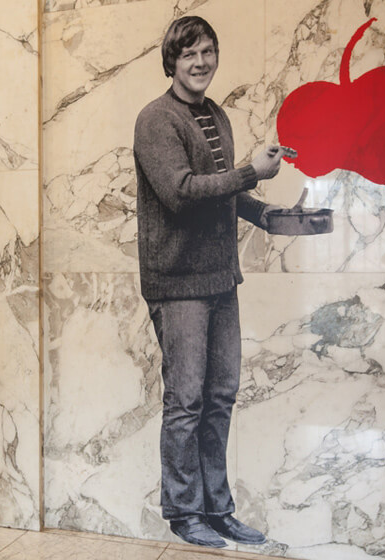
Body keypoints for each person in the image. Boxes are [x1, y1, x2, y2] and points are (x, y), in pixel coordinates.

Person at [133, 16, 290, 548]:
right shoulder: (155, 120)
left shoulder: (216, 115)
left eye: (208, 52)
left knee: (220, 395)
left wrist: (267, 215)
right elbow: (181, 192)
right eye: (189, 54)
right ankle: (184, 511)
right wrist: (251, 172)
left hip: (221, 278)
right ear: (172, 62)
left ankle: (218, 509)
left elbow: (221, 189)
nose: (200, 63)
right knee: (186, 401)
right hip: (178, 282)